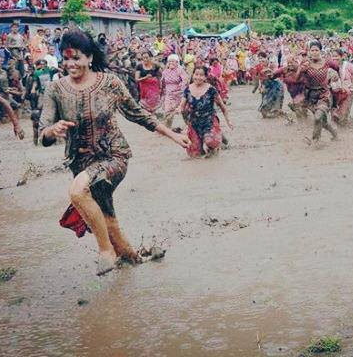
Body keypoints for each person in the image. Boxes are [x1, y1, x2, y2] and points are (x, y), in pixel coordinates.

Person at [39, 29, 190, 275]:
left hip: (113, 156)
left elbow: (138, 114)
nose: (70, 64)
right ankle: (134, 261)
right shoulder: (55, 89)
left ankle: (105, 251)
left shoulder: (109, 83)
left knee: (77, 191)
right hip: (80, 162)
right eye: (65, 59)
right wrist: (51, 131)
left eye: (76, 58)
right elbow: (42, 134)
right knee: (108, 219)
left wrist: (172, 135)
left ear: (89, 58)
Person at [177, 66, 233, 158]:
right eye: (196, 74)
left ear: (205, 77)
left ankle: (215, 147)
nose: (198, 77)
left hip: (209, 121)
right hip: (194, 122)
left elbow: (222, 106)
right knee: (194, 154)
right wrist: (179, 109)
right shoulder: (188, 89)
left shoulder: (211, 90)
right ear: (193, 75)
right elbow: (182, 106)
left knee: (210, 142)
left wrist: (228, 121)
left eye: (201, 75)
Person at [295, 40, 339, 143]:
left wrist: (335, 77)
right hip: (310, 96)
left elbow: (337, 69)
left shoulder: (327, 62)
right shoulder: (306, 64)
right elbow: (297, 79)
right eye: (312, 50)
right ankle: (334, 134)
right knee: (321, 120)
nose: (314, 52)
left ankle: (315, 140)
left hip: (324, 95)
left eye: (316, 50)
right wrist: (300, 70)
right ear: (309, 51)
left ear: (320, 51)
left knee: (318, 117)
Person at [159, 54, 188, 128]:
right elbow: (162, 82)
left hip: (179, 93)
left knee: (184, 111)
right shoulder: (165, 71)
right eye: (169, 61)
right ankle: (167, 128)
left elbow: (185, 80)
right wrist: (161, 92)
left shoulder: (180, 70)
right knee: (168, 111)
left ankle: (189, 127)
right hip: (169, 94)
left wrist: (180, 87)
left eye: (173, 61)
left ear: (177, 62)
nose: (171, 63)